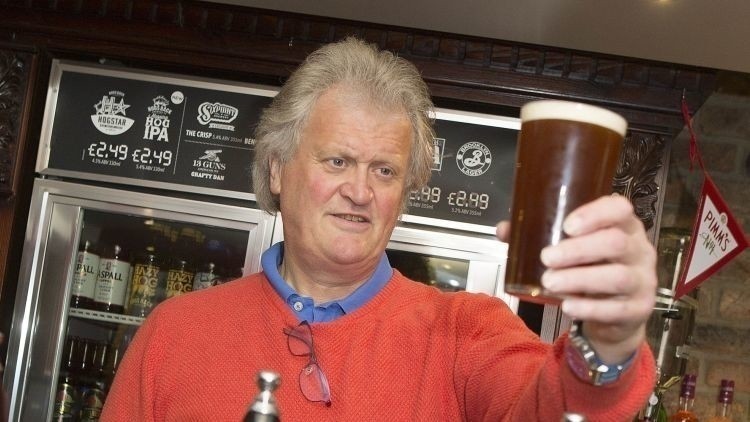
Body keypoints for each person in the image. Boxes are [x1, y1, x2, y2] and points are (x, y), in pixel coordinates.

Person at [101, 37, 657, 421]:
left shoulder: (464, 332)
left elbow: (559, 409)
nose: (361, 191)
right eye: (337, 161)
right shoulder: (175, 333)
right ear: (277, 168)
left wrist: (610, 341)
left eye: (385, 170)